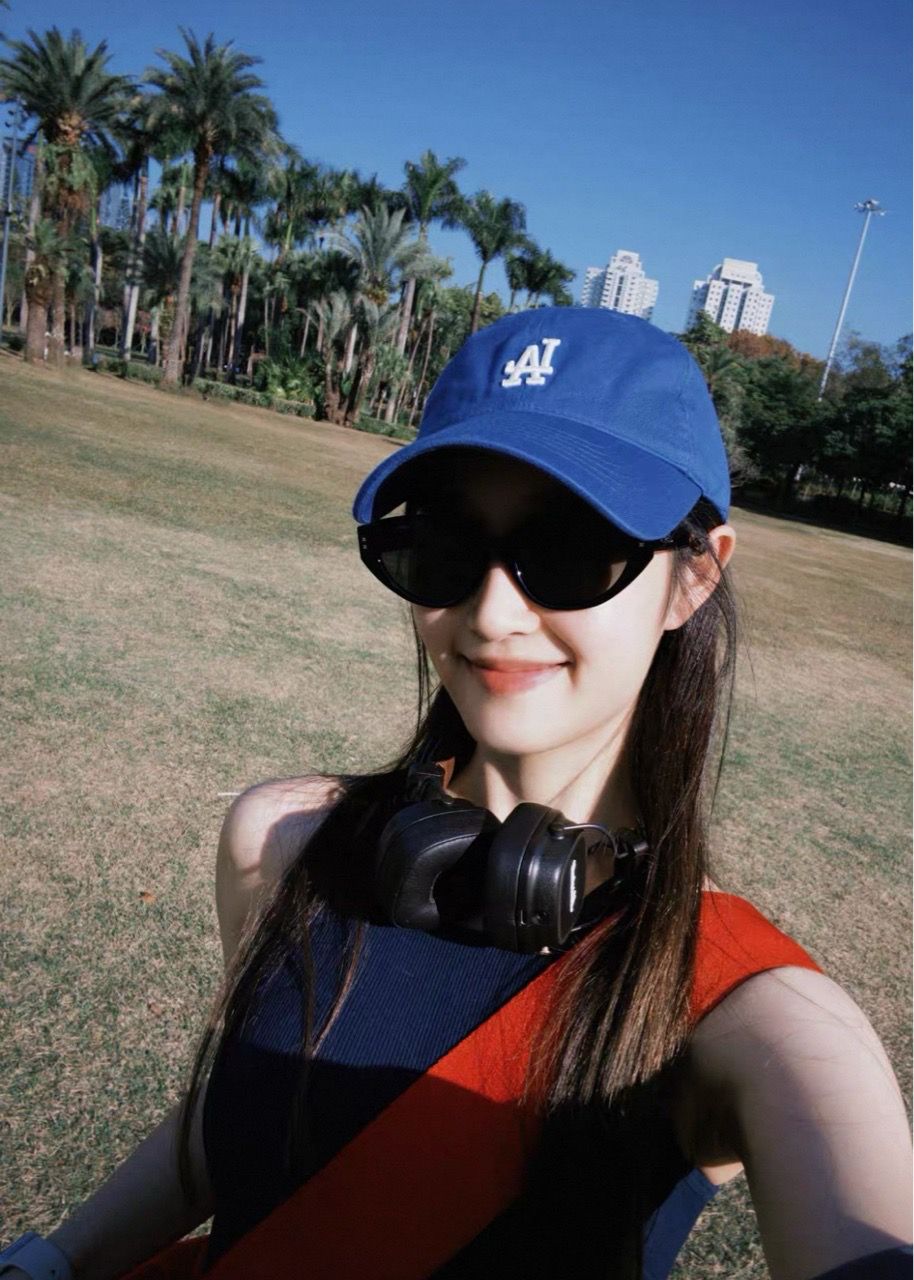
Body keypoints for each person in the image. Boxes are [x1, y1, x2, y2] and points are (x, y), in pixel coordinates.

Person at [1, 309, 910, 1280]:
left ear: (694, 576)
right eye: (439, 544)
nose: (490, 612)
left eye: (571, 547)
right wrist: (51, 1261)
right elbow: (238, 1115)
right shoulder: (280, 841)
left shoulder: (750, 1016)